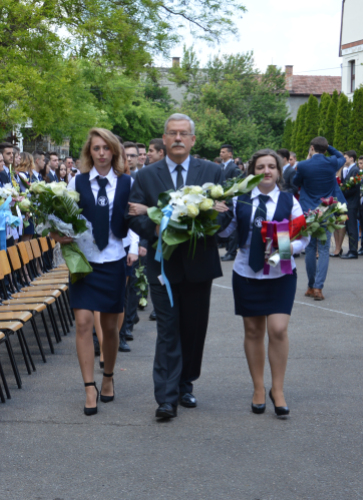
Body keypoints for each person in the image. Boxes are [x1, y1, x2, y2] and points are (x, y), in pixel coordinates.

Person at [127, 113, 225, 419]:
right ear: (164, 139)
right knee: (168, 328)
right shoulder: (145, 175)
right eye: (172, 133)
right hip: (163, 265)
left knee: (193, 329)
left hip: (200, 263)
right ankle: (166, 398)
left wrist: (201, 224)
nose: (178, 138)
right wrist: (158, 227)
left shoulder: (212, 172)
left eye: (184, 133)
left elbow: (225, 213)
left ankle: (185, 383)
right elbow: (133, 214)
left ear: (193, 140)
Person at [49, 128, 138, 416]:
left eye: (106, 148)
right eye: (96, 148)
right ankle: (89, 387)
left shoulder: (127, 182)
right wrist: (56, 232)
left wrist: (134, 248)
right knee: (84, 323)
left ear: (114, 152)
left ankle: (108, 377)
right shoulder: (77, 180)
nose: (101, 153)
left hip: (113, 260)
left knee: (110, 328)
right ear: (90, 153)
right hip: (84, 262)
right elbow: (62, 215)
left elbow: (135, 220)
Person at [216, 149, 306, 416]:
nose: (266, 171)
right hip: (247, 273)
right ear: (252, 172)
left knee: (278, 330)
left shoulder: (290, 200)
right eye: (260, 167)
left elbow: (303, 237)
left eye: (271, 166)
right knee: (253, 332)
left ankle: (277, 389)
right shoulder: (239, 200)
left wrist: (282, 250)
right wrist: (215, 211)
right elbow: (225, 232)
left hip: (281, 274)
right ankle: (258, 387)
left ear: (279, 171)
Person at [292, 137, 346, 300]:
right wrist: (329, 147)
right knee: (323, 250)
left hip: (307, 210)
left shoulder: (303, 165)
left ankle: (310, 285)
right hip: (326, 210)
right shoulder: (331, 163)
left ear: (312, 148)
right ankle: (318, 288)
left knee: (309, 248)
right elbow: (341, 157)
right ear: (325, 148)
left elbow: (295, 183)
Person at [337, 151, 361, 259]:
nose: (344, 160)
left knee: (352, 227)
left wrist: (342, 192)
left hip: (352, 203)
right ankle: (352, 250)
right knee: (349, 226)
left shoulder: (355, 170)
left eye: (345, 158)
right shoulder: (350, 170)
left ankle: (353, 251)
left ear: (351, 158)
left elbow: (354, 188)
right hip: (349, 202)